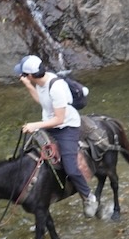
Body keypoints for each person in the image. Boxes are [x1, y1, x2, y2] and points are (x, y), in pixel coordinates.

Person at [14, 54, 98, 218]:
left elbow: (59, 119)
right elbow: (43, 102)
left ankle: (89, 197)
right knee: (28, 151)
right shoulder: (40, 82)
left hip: (66, 127)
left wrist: (35, 125)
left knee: (70, 168)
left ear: (31, 74)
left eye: (25, 75)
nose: (24, 76)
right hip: (50, 122)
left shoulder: (56, 87)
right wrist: (28, 85)